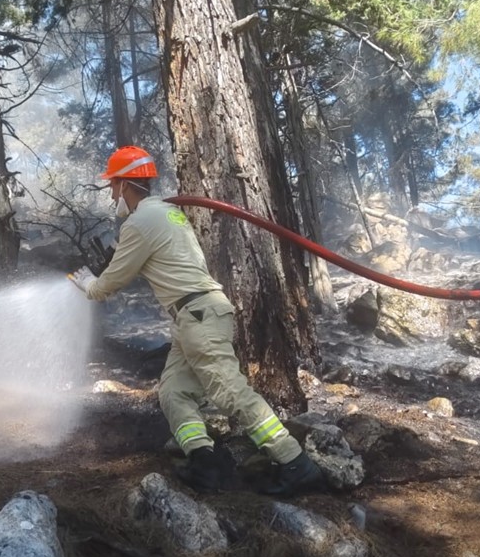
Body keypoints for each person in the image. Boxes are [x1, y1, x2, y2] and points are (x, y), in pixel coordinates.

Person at [69, 146, 325, 497]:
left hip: (199, 316)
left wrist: (86, 283)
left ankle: (296, 464)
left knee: (230, 392)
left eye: (113, 185)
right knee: (174, 393)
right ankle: (206, 463)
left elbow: (110, 283)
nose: (112, 193)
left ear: (126, 184)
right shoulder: (167, 213)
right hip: (195, 317)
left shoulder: (141, 222)